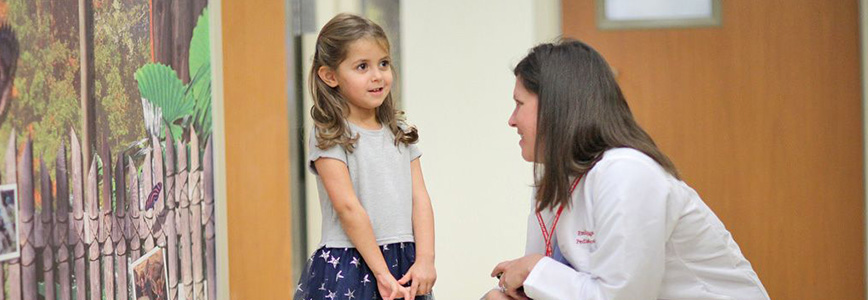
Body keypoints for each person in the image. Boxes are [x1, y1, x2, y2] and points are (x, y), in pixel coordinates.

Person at [483, 40, 770, 300]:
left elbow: (619, 297)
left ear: (555, 107)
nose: (511, 120)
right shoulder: (554, 181)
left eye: (519, 104)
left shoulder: (627, 173)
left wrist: (535, 269)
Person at [294, 13, 436, 300]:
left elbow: (420, 198)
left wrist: (425, 260)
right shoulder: (330, 134)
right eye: (362, 66)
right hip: (350, 262)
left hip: (404, 261)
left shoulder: (400, 130)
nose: (377, 75)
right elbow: (347, 207)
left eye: (383, 63)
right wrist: (381, 273)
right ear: (329, 76)